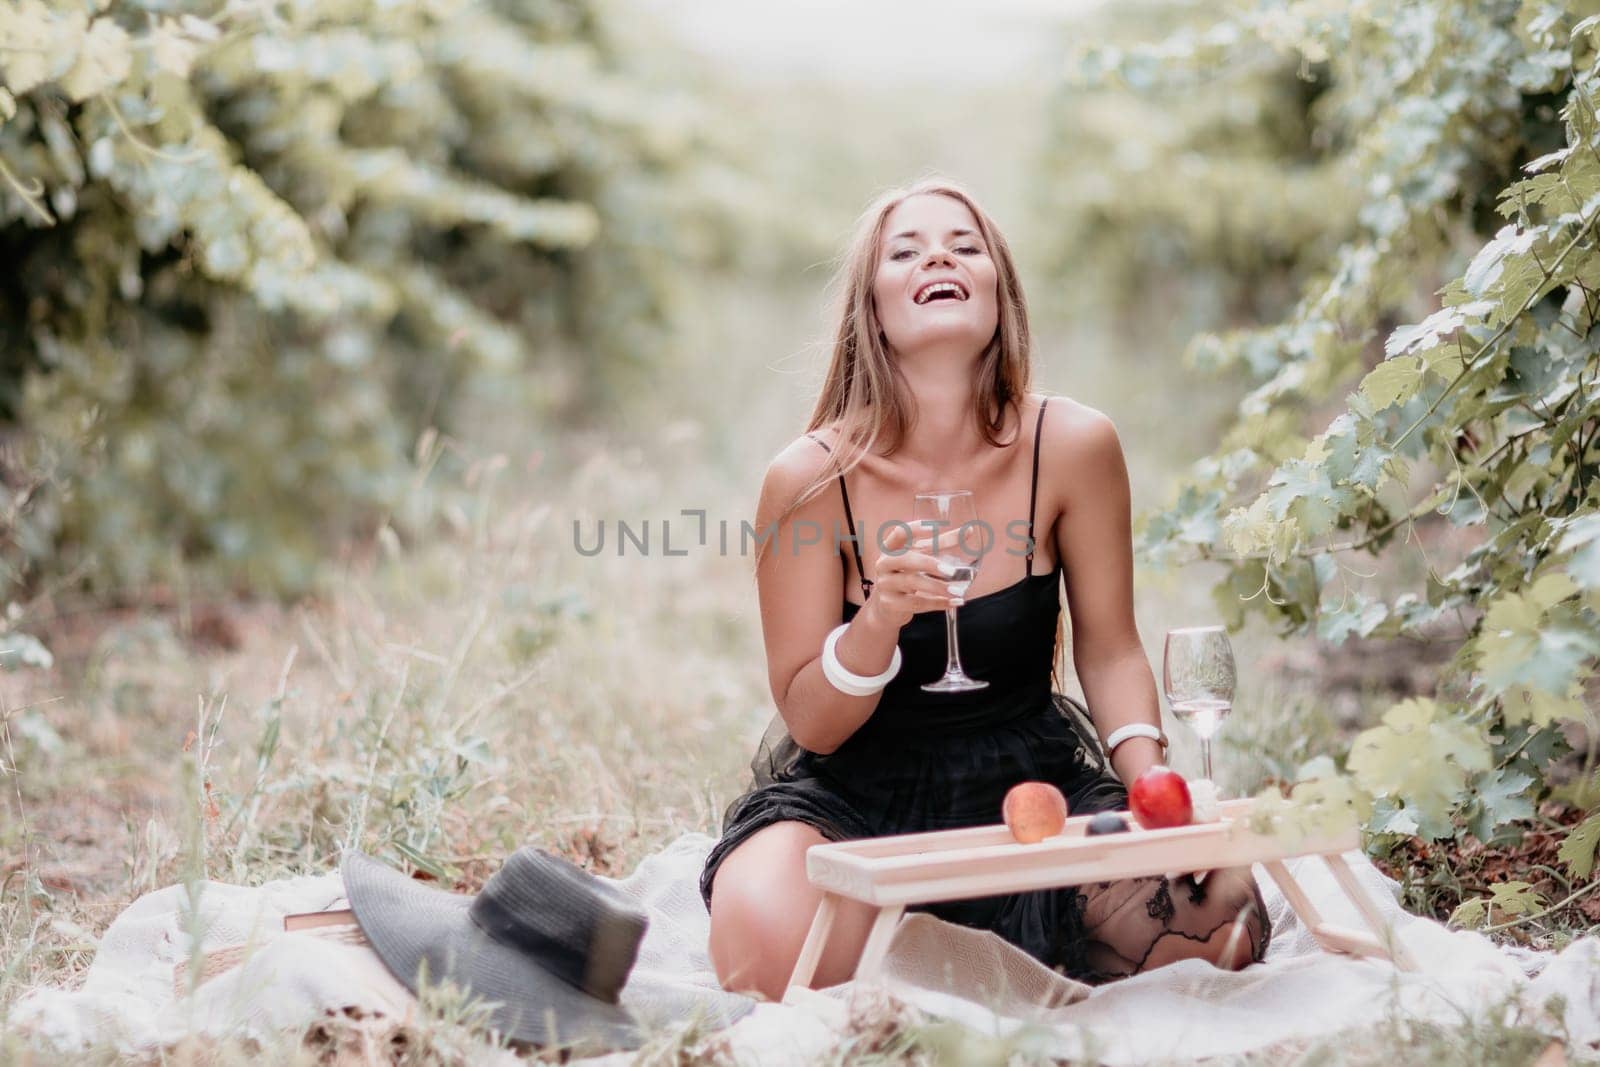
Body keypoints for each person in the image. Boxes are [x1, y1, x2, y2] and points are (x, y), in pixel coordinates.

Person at [699, 177, 1270, 1003]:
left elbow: (1110, 648)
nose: (939, 255)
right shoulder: (808, 479)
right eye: (908, 250)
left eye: (965, 245)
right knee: (758, 933)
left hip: (1031, 787)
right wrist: (881, 619)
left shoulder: (1074, 445)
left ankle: (940, 959)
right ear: (873, 307)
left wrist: (1155, 796)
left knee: (1220, 920)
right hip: (857, 793)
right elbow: (812, 720)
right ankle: (962, 958)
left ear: (1000, 292)